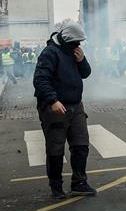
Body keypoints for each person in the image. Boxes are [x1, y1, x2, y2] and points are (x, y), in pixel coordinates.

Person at [33, 20, 97, 199]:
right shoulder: (50, 53)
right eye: (76, 42)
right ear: (67, 40)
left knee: (81, 145)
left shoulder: (73, 51)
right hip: (55, 107)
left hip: (76, 105)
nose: (78, 45)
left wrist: (82, 60)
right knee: (56, 148)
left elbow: (85, 73)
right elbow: (40, 80)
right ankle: (56, 186)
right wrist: (52, 100)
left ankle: (79, 182)